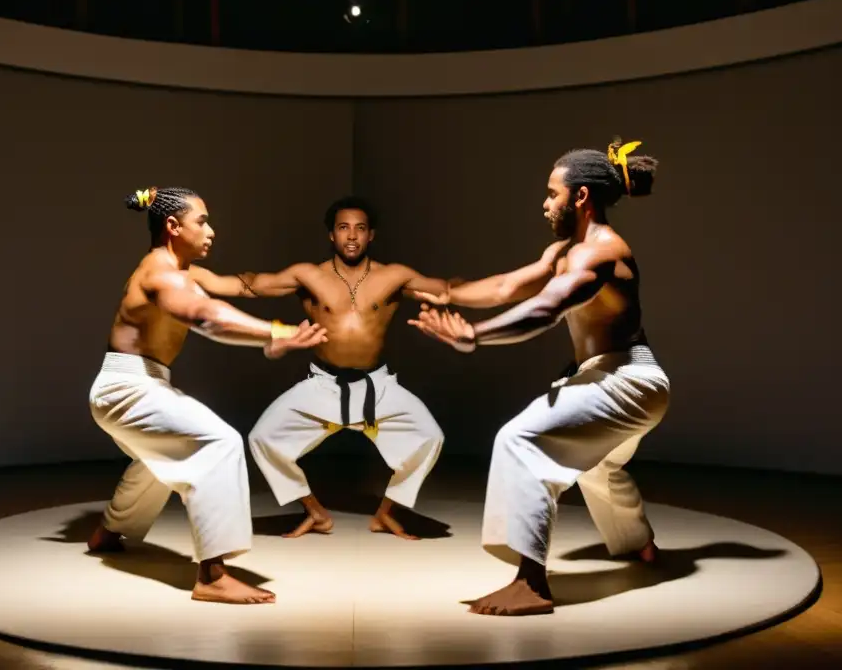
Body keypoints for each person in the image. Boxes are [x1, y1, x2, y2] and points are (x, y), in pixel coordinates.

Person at [410, 140, 669, 616]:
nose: (545, 203)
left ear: (582, 197)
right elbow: (509, 287)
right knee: (598, 465)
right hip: (613, 377)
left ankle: (531, 584)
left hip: (631, 378)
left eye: (553, 194)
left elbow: (548, 308)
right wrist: (446, 293)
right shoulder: (565, 251)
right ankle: (639, 545)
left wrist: (475, 336)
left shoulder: (602, 253)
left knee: (520, 439)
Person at [86, 186, 327, 605]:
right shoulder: (159, 273)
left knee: (158, 457)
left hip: (130, 386)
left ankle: (108, 532)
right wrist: (278, 331)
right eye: (202, 221)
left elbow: (229, 301)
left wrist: (278, 325)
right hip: (127, 387)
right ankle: (212, 576)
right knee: (219, 443)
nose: (212, 231)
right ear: (173, 226)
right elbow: (208, 318)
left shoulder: (183, 274)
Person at [195, 197, 448, 539]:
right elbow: (249, 284)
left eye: (360, 228)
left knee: (430, 437)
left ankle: (386, 513)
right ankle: (315, 513)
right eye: (343, 228)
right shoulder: (308, 275)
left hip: (378, 386)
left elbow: (449, 290)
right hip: (323, 385)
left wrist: (498, 290)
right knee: (263, 438)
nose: (352, 236)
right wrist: (188, 269)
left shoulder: (394, 276)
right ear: (332, 235)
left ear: (371, 234)